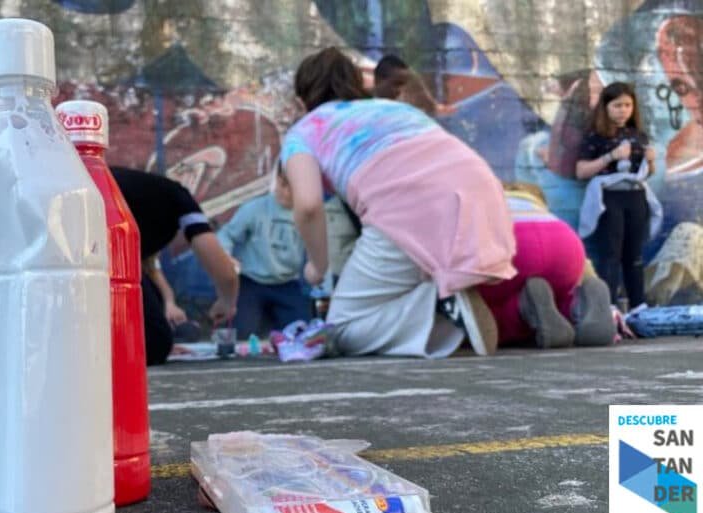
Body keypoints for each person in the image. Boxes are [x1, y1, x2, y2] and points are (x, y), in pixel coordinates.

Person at [282, 47, 516, 358]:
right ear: (357, 84)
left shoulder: (306, 130)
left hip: (409, 209)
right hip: (481, 194)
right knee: (395, 284)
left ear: (302, 100)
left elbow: (308, 204)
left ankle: (440, 306)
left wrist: (317, 265)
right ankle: (449, 306)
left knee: (341, 329)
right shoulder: (395, 110)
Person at [111, 167, 239, 365]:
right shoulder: (179, 197)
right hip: (102, 251)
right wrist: (227, 301)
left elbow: (149, 269)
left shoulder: (138, 205)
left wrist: (168, 302)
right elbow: (221, 265)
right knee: (155, 344)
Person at [479, 183, 615, 348]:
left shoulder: (487, 201)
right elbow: (585, 269)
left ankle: (523, 306)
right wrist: (593, 281)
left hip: (516, 242)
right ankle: (577, 306)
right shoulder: (539, 208)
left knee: (486, 307)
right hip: (563, 240)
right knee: (561, 295)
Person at [575, 82, 659, 310]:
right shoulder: (595, 136)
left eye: (628, 105)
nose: (623, 110)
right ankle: (608, 308)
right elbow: (581, 171)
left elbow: (646, 173)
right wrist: (611, 156)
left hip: (636, 197)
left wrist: (651, 161)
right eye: (617, 105)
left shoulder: (638, 135)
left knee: (634, 255)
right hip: (609, 199)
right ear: (606, 107)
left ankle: (638, 307)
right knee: (610, 255)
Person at [218, 168, 310, 338]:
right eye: (283, 185)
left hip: (287, 284)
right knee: (240, 337)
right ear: (277, 181)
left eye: (293, 187)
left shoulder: (309, 214)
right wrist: (226, 258)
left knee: (302, 336)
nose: (286, 192)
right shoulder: (255, 208)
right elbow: (227, 235)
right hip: (252, 282)